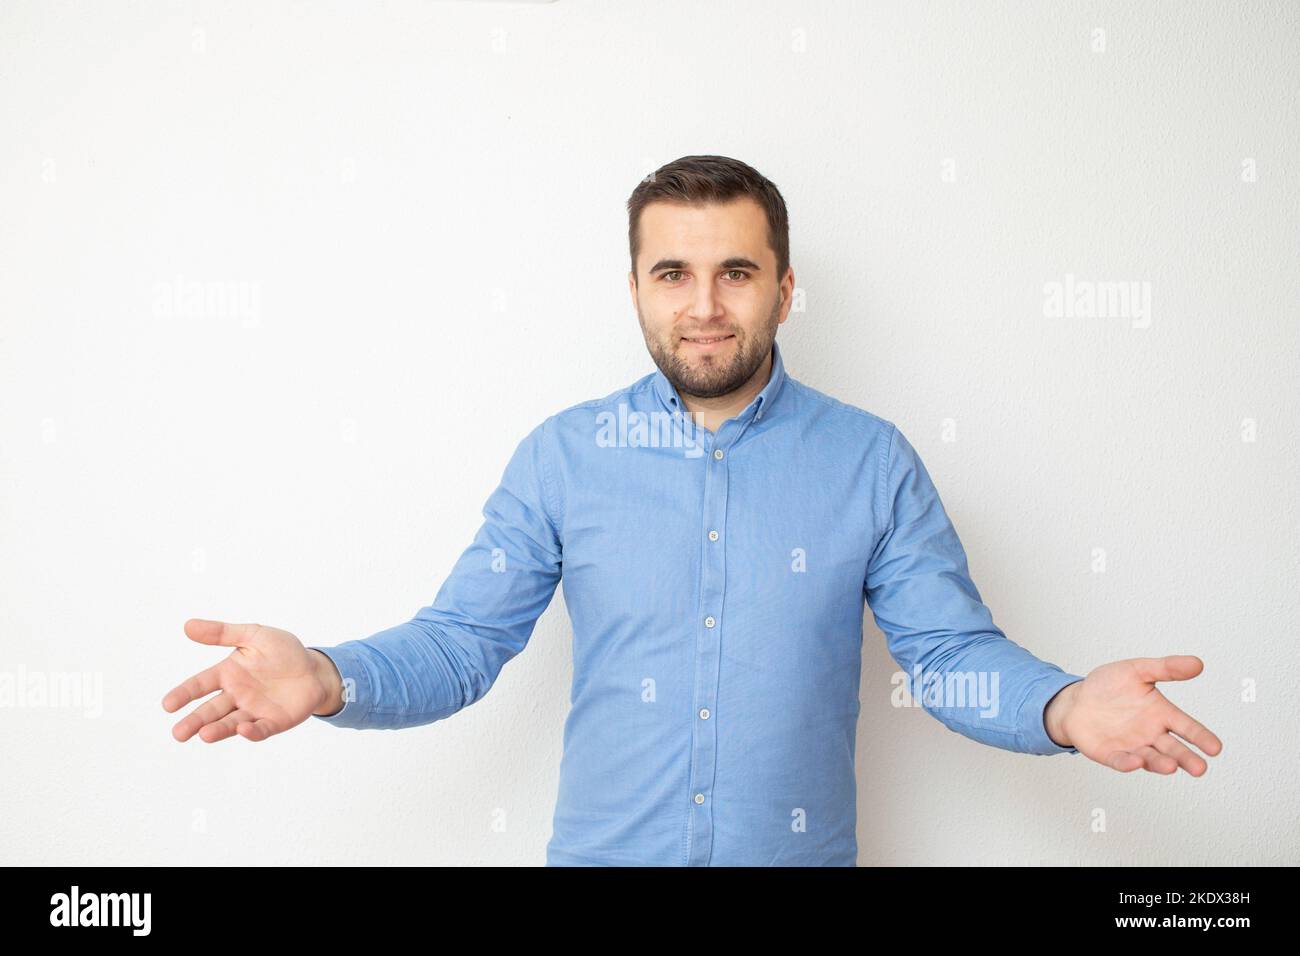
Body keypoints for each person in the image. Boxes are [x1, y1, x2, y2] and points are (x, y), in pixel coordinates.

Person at [162, 154, 1222, 866]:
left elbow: (946, 653)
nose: (704, 304)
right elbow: (461, 643)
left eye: (735, 272)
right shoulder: (563, 457)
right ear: (634, 287)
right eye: (673, 271)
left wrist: (1062, 707)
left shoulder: (870, 461)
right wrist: (333, 675)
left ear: (784, 287)